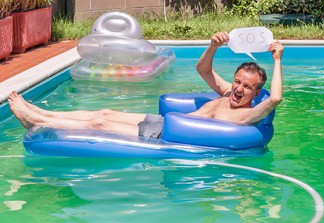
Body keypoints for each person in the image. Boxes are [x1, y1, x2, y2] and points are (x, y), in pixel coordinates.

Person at [8, 32, 284, 139]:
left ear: (256, 92)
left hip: (166, 133)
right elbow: (203, 69)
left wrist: (277, 59)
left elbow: (275, 100)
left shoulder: (247, 114)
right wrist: (213, 46)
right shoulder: (227, 93)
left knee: (100, 125)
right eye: (237, 81)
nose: (238, 89)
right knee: (104, 112)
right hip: (163, 121)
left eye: (246, 87)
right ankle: (41, 114)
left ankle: (36, 120)